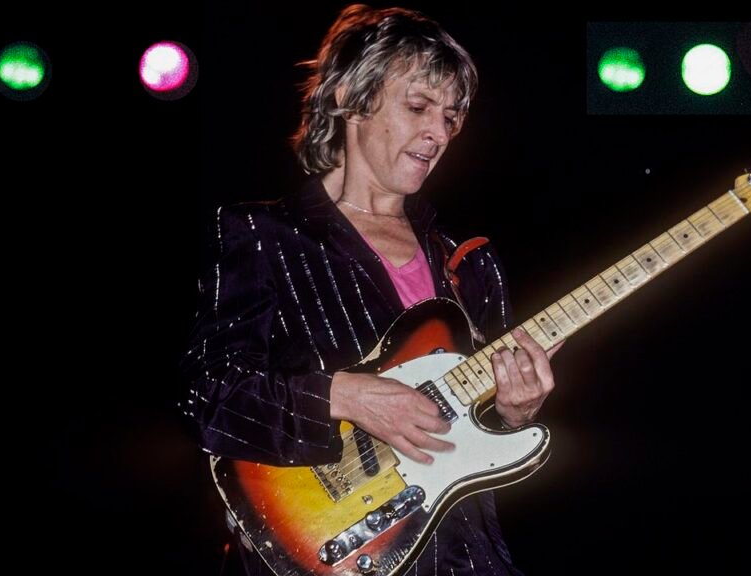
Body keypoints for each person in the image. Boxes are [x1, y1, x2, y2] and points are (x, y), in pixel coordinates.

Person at [180, 5, 561, 575]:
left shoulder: (471, 263)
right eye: (419, 107)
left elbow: (480, 440)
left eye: (451, 117)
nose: (440, 133)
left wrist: (514, 410)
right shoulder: (262, 235)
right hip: (331, 548)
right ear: (350, 99)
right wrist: (342, 397)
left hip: (465, 557)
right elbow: (206, 396)